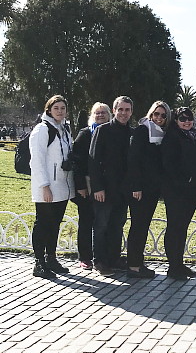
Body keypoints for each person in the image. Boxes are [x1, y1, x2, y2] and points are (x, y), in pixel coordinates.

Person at [29, 95, 75, 278]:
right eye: (56, 108)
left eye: (63, 108)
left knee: (54, 224)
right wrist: (44, 186)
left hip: (62, 186)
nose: (60, 111)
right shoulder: (42, 129)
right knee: (43, 224)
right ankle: (39, 263)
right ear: (49, 109)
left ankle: (51, 258)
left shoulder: (64, 129)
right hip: (47, 187)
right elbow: (37, 160)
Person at [89, 95, 134, 277]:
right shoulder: (103, 130)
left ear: (131, 112)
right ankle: (99, 260)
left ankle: (114, 257)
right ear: (114, 111)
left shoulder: (132, 132)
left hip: (122, 190)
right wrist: (97, 187)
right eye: (120, 109)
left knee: (117, 225)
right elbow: (93, 161)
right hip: (104, 189)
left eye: (127, 110)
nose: (124, 113)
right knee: (101, 225)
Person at [126, 101, 171, 278]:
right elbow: (134, 159)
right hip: (139, 189)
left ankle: (138, 262)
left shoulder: (162, 134)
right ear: (150, 114)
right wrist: (136, 185)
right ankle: (133, 267)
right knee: (138, 226)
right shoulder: (142, 130)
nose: (158, 118)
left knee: (143, 225)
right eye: (156, 114)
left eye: (162, 115)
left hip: (152, 188)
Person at [161, 107, 196, 280]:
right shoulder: (172, 138)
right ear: (175, 120)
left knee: (182, 228)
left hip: (191, 191)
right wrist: (184, 181)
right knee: (174, 228)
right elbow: (169, 165)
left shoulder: (194, 136)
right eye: (182, 119)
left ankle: (179, 264)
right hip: (176, 191)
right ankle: (173, 267)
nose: (186, 121)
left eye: (189, 118)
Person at [72, 102, 112, 270]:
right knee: (87, 220)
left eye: (104, 112)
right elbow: (77, 162)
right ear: (92, 115)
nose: (101, 115)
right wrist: (81, 185)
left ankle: (104, 254)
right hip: (86, 185)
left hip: (106, 184)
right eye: (97, 112)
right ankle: (85, 256)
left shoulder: (112, 132)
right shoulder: (85, 134)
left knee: (103, 222)